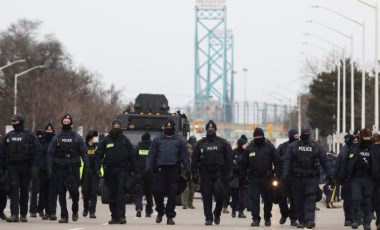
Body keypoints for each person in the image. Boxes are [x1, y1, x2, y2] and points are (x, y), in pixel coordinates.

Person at [282, 128, 334, 229]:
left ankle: (309, 219)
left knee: (310, 198)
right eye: (305, 133)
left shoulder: (313, 146)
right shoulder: (295, 146)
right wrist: (285, 174)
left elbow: (325, 161)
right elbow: (287, 161)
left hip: (310, 178)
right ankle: (302, 220)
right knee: (299, 200)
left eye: (307, 133)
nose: (306, 135)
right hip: (297, 178)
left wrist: (330, 175)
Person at [146, 118, 191, 225]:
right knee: (157, 191)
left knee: (172, 193)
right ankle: (160, 211)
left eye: (170, 127)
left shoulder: (179, 140)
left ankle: (170, 216)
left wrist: (188, 170)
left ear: (174, 128)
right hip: (160, 170)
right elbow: (151, 154)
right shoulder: (158, 139)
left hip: (173, 170)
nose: (169, 129)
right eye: (167, 127)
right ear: (164, 128)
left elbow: (184, 156)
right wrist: (148, 167)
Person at [47, 114, 89, 223]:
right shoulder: (57, 137)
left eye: (67, 121)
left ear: (71, 122)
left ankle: (75, 210)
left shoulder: (76, 137)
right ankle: (64, 216)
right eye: (64, 121)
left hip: (73, 168)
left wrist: (87, 166)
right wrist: (50, 166)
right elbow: (50, 153)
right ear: (62, 122)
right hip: (60, 168)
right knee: (61, 193)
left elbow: (84, 152)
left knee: (74, 192)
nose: (66, 122)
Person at [191, 120, 233, 225]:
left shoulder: (223, 143)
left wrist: (230, 172)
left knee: (220, 196)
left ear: (215, 129)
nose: (210, 129)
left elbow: (229, 159)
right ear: (206, 129)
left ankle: (217, 213)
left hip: (219, 174)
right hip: (205, 174)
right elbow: (194, 160)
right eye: (209, 127)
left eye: (212, 127)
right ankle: (208, 218)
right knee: (206, 197)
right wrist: (194, 173)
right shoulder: (200, 144)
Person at [96, 119, 136, 225]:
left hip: (122, 170)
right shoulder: (106, 140)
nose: (116, 127)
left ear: (120, 127)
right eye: (115, 125)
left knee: (120, 193)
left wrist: (134, 170)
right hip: (109, 170)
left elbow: (132, 156)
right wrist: (97, 168)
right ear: (112, 126)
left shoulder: (125, 140)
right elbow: (98, 155)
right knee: (112, 194)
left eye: (118, 125)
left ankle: (122, 216)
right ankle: (114, 216)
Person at [3, 114, 42, 222]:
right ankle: (14, 214)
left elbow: (37, 152)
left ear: (20, 121)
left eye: (14, 121)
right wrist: (3, 168)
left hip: (26, 167)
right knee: (14, 190)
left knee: (24, 191)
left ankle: (23, 214)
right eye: (12, 121)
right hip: (13, 167)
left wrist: (35, 167)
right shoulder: (8, 136)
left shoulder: (30, 136)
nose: (12, 123)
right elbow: (3, 152)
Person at [240, 127, 281, 227]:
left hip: (267, 178)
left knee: (268, 199)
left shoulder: (269, 147)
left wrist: (277, 174)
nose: (258, 137)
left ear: (263, 136)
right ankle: (255, 219)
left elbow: (277, 161)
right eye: (256, 136)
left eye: (260, 136)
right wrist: (243, 176)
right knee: (254, 199)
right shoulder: (249, 148)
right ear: (253, 137)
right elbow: (243, 163)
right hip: (254, 178)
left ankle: (267, 217)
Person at [344, 128, 377, 230]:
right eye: (364, 136)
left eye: (368, 136)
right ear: (361, 137)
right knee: (356, 199)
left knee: (367, 201)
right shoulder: (355, 148)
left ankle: (367, 222)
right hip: (356, 178)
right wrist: (343, 176)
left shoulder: (374, 149)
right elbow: (346, 162)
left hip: (369, 178)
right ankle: (357, 219)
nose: (366, 138)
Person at [276, 129, 298, 226]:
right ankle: (284, 214)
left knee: (294, 198)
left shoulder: (301, 146)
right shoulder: (282, 147)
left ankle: (293, 218)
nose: (296, 138)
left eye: (298, 136)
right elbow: (276, 159)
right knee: (281, 197)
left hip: (296, 176)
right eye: (295, 136)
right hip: (283, 176)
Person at [336, 134, 356, 227]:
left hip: (356, 178)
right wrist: (338, 176)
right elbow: (339, 163)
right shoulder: (344, 149)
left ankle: (356, 218)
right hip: (346, 179)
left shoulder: (358, 149)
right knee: (348, 199)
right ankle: (348, 218)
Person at [37, 123, 55, 220]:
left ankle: (52, 212)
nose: (48, 131)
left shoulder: (55, 139)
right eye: (47, 130)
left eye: (50, 130)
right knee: (44, 191)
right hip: (43, 169)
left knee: (52, 191)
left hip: (53, 168)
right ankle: (46, 211)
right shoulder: (41, 140)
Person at [134, 131, 154, 217]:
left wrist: (134, 171)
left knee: (139, 192)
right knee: (149, 193)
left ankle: (139, 208)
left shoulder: (138, 148)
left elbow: (133, 160)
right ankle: (148, 211)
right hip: (150, 173)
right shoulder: (152, 148)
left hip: (139, 173)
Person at [81, 130, 99, 219]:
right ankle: (85, 208)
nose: (94, 139)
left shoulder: (97, 146)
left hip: (95, 172)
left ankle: (92, 212)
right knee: (85, 192)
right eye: (93, 137)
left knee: (93, 192)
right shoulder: (84, 146)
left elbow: (100, 158)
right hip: (85, 171)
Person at [182, 137, 197, 210]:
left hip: (192, 173)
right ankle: (185, 204)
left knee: (192, 189)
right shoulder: (184, 156)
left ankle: (190, 203)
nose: (190, 150)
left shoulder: (193, 155)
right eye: (189, 149)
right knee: (186, 189)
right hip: (184, 173)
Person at [0, 140, 8, 220]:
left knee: (3, 192)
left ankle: (1, 210)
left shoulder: (2, 145)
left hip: (2, 172)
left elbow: (6, 157)